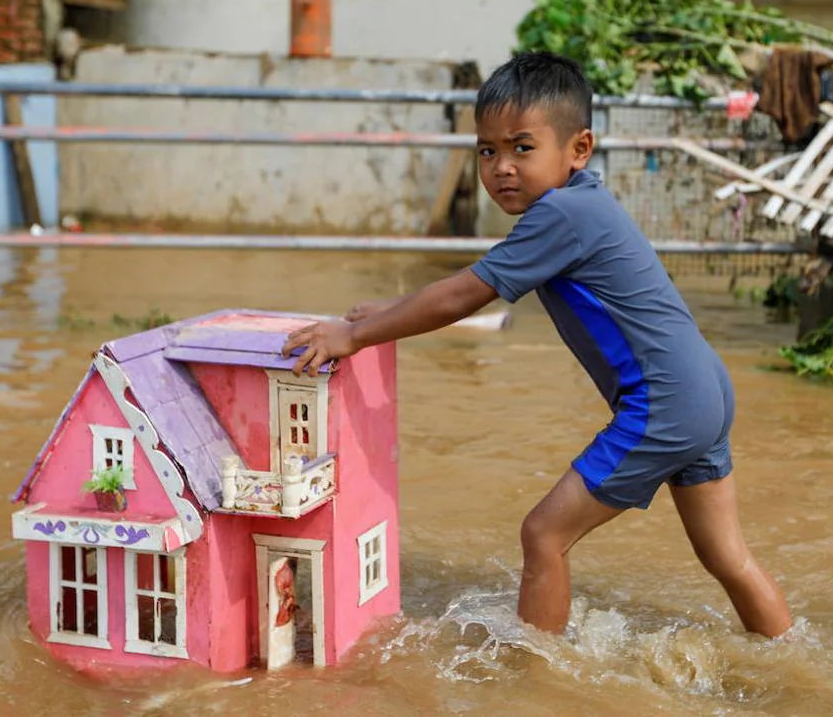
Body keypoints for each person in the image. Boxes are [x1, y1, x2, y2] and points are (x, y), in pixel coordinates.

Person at [282, 52, 793, 639]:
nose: (501, 167)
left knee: (544, 535)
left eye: (522, 148)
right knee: (727, 559)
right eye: (487, 150)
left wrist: (352, 335)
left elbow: (463, 296)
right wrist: (389, 314)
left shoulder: (559, 217)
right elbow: (468, 285)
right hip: (705, 389)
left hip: (665, 403)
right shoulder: (584, 202)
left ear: (578, 149)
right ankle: (790, 667)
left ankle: (534, 683)